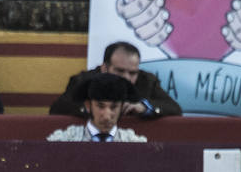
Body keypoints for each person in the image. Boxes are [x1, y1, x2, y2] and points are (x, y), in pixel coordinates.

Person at [47, 40, 184, 118]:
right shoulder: (84, 81)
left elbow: (175, 109)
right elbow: (58, 108)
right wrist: (92, 109)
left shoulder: (146, 81)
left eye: (132, 73)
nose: (126, 78)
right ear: (104, 68)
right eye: (119, 71)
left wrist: (144, 107)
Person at [46, 72, 152, 142]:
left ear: (122, 107)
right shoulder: (64, 140)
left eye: (114, 107)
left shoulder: (134, 143)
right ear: (88, 106)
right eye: (100, 106)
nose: (106, 116)